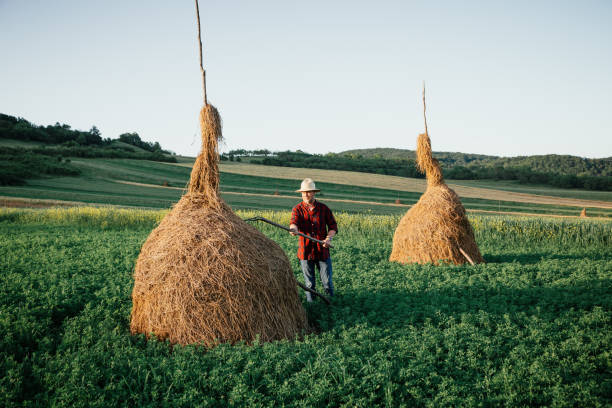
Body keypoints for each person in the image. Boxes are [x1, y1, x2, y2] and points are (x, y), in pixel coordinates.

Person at [289, 178, 338, 302]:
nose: (305, 195)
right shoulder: (297, 209)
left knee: (327, 282)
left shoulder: (323, 208)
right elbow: (293, 223)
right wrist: (293, 229)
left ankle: (330, 306)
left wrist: (328, 238)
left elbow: (333, 227)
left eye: (309, 192)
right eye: (303, 192)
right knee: (309, 285)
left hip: (322, 251)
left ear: (314, 193)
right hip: (305, 252)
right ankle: (313, 307)